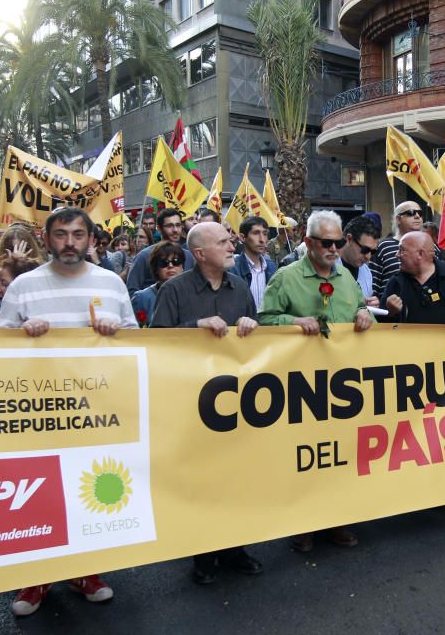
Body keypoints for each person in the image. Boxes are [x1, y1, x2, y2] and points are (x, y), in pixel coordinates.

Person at [0, 207, 137, 616]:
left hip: (97, 411)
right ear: (47, 238)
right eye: (61, 234)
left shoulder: (111, 283)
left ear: (91, 239)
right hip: (39, 410)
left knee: (87, 491)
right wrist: (23, 334)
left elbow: (136, 341)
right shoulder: (23, 286)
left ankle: (85, 572)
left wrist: (116, 334)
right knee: (39, 494)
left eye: (78, 234)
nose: (70, 242)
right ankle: (34, 580)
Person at [150, 222, 264, 583]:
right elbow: (156, 342)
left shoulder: (241, 287)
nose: (232, 247)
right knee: (201, 481)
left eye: (231, 242)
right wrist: (195, 326)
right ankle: (203, 555)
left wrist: (252, 324)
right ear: (199, 254)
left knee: (237, 477)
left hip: (235, 401)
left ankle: (235, 548)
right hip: (191, 402)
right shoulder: (174, 290)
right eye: (223, 242)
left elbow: (258, 341)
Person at [259, 210, 373, 552]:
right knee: (308, 458)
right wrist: (293, 322)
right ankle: (303, 526)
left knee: (341, 456)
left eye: (339, 242)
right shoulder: (285, 277)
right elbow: (263, 320)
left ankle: (336, 520)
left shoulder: (347, 280)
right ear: (308, 242)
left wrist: (364, 313)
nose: (335, 249)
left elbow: (358, 311)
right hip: (301, 387)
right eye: (327, 242)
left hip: (342, 387)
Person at [370, 201, 435, 299]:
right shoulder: (383, 247)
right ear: (398, 219)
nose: (417, 216)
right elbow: (373, 283)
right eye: (411, 212)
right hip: (392, 310)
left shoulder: (432, 247)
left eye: (420, 213)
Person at [126, 208, 196, 294]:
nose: (175, 230)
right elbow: (132, 291)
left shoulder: (189, 256)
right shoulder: (144, 256)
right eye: (170, 226)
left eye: (178, 225)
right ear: (159, 228)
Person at [229, 216, 276, 311]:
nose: (262, 240)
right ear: (242, 237)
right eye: (256, 233)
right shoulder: (233, 269)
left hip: (268, 324)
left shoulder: (272, 268)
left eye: (265, 233)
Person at [132, 242, 185, 325]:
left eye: (176, 261)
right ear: (155, 268)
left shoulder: (193, 294)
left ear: (182, 267)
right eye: (164, 263)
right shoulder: (141, 299)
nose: (170, 266)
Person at [338, 214, 380, 307]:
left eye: (373, 251)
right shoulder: (327, 265)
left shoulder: (366, 272)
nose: (368, 257)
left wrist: (372, 304)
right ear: (349, 239)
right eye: (365, 250)